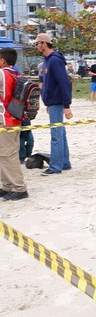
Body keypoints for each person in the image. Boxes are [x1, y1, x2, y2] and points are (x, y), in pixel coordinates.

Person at [33, 33, 72, 176]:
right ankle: (65, 162)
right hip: (52, 102)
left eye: (38, 43)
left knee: (56, 134)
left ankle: (56, 166)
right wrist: (47, 102)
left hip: (58, 101)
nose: (36, 46)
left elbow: (64, 82)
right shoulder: (47, 61)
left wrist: (67, 105)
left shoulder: (54, 60)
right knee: (60, 132)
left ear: (44, 43)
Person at [0, 48, 28, 201]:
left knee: (7, 155)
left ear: (3, 60)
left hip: (5, 120)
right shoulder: (14, 73)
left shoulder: (2, 73)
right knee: (4, 154)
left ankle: (19, 187)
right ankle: (6, 185)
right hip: (13, 119)